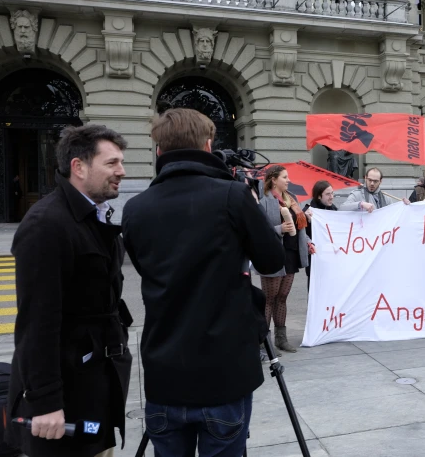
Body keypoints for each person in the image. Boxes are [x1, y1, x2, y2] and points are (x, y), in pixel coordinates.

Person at [121, 108, 284, 456]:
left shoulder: (135, 208)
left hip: (164, 374)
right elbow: (272, 261)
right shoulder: (232, 196)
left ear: (159, 151)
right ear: (208, 145)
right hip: (222, 375)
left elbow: (145, 268)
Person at [6, 125, 132, 457]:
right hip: (65, 401)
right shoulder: (46, 224)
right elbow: (37, 324)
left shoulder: (93, 215)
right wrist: (45, 402)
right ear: (79, 167)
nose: (121, 171)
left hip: (94, 387)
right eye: (112, 163)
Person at [258, 166, 315, 354]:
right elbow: (257, 229)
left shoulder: (292, 199)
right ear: (274, 180)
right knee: (269, 299)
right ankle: (263, 344)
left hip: (290, 254)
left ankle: (281, 339)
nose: (288, 180)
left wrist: (307, 242)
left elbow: (300, 227)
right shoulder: (264, 199)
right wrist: (279, 229)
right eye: (284, 177)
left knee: (282, 298)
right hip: (272, 254)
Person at [303, 181, 338, 290]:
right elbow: (301, 235)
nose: (331, 197)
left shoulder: (334, 209)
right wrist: (306, 220)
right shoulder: (307, 211)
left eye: (332, 193)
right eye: (328, 194)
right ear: (319, 196)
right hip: (315, 259)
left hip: (332, 259)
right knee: (315, 291)